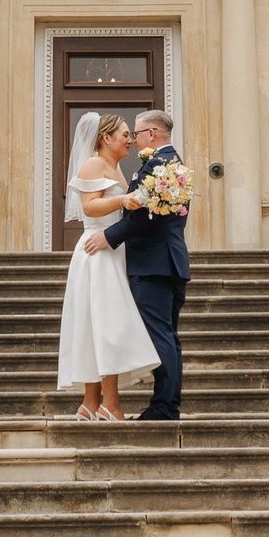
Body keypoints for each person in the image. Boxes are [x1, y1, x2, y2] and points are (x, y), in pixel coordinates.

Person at [86, 109, 189, 420]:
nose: (133, 139)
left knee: (161, 335)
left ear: (153, 134)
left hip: (153, 265)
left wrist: (109, 236)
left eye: (138, 133)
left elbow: (144, 216)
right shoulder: (175, 165)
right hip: (170, 261)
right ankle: (166, 404)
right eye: (128, 134)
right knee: (168, 335)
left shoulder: (158, 166)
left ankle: (164, 407)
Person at [55, 113, 157, 419]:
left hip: (113, 251)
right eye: (125, 135)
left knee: (102, 325)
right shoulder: (94, 164)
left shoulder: (117, 168)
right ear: (106, 138)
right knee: (106, 325)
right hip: (95, 253)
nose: (130, 140)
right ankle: (109, 404)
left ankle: (90, 403)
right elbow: (89, 206)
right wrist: (123, 202)